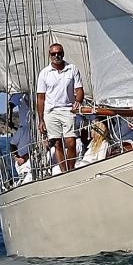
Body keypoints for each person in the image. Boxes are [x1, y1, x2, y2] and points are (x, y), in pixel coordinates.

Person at [35, 41, 85, 173]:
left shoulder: (72, 69)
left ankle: (70, 169)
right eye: (53, 54)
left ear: (63, 54)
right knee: (57, 143)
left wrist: (78, 101)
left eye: (59, 53)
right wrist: (41, 120)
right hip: (51, 112)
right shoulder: (44, 73)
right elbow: (40, 98)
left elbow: (79, 89)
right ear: (49, 55)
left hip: (68, 110)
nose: (56, 56)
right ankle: (64, 172)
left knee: (71, 142)